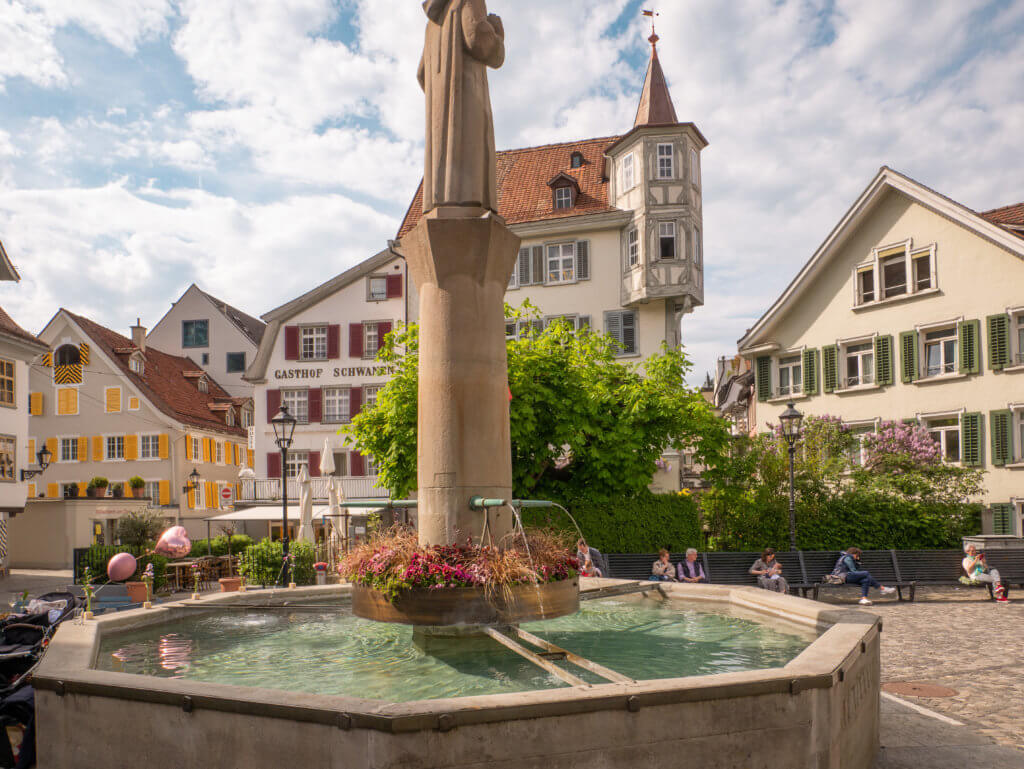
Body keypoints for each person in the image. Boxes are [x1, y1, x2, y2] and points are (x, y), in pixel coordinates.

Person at [831, 547, 896, 605]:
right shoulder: (848, 557)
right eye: (857, 556)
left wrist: (857, 561)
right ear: (854, 554)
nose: (857, 557)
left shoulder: (848, 557)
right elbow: (853, 570)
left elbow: (854, 570)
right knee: (866, 573)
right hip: (841, 576)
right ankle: (882, 588)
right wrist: (857, 563)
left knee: (866, 580)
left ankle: (863, 599)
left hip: (847, 576)